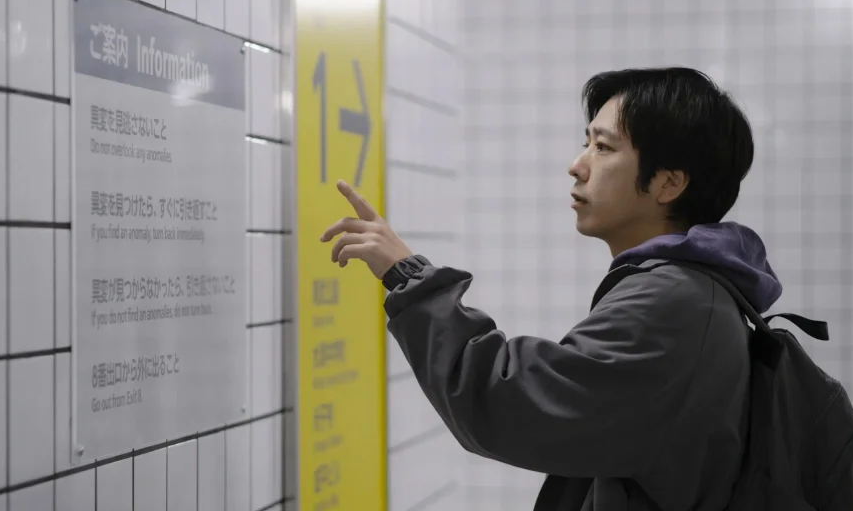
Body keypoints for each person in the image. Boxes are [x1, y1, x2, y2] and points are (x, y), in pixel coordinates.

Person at [319, 68, 777, 511]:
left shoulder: (674, 302)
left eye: (603, 147)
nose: (577, 166)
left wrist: (408, 277)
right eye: (586, 143)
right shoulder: (694, 289)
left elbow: (506, 402)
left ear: (669, 183)